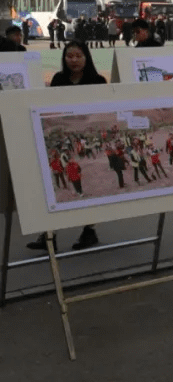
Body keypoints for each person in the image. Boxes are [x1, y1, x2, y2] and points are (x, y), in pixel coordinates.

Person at [28, 41, 108, 252]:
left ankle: (89, 231)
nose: (73, 60)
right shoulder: (58, 79)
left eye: (78, 56)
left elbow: (101, 109)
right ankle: (48, 236)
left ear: (86, 57)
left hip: (85, 137)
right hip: (63, 138)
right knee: (54, 187)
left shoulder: (97, 81)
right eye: (69, 56)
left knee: (86, 186)